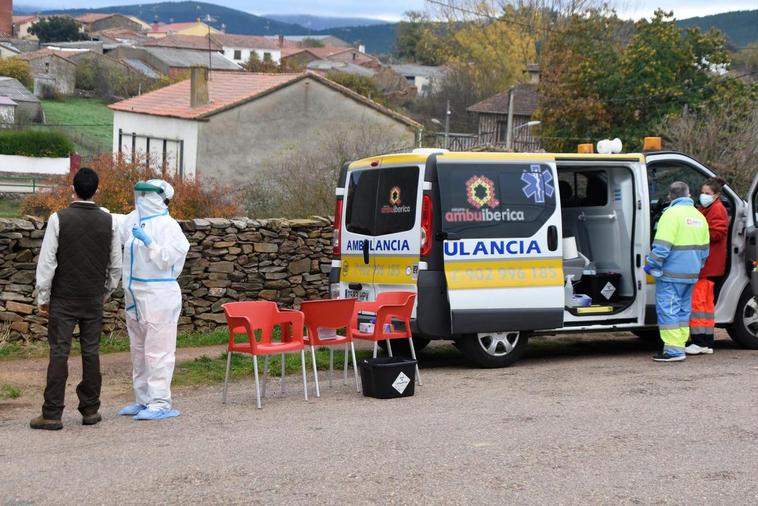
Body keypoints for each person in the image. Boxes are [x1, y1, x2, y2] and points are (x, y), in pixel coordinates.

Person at [31, 168, 122, 430]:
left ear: (73, 189)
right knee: (91, 352)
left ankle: (52, 413)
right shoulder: (110, 221)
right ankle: (90, 410)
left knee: (59, 352)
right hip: (93, 298)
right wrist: (105, 292)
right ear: (97, 190)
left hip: (63, 298)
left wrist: (44, 296)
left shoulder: (58, 218)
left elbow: (47, 262)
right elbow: (116, 265)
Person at [117, 179, 189, 421]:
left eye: (148, 195)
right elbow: (116, 230)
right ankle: (143, 399)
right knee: (138, 351)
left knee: (158, 352)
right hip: (135, 295)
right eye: (141, 195)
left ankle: (159, 402)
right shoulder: (132, 220)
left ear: (161, 197)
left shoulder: (169, 227)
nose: (142, 200)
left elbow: (170, 258)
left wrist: (150, 243)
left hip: (159, 296)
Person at [644, 181, 709, 362]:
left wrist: (650, 264)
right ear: (688, 195)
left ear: (670, 197)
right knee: (682, 311)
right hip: (691, 273)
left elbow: (662, 247)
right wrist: (697, 266)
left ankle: (673, 351)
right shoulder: (698, 216)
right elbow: (705, 250)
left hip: (671, 273)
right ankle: (679, 345)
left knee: (668, 311)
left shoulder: (670, 215)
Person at [686, 177, 729, 355]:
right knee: (705, 306)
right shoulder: (708, 208)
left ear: (716, 195)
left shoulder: (717, 209)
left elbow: (717, 233)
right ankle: (706, 341)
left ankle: (700, 341)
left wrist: (697, 229)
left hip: (708, 265)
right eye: (702, 193)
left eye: (707, 193)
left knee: (699, 305)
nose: (703, 196)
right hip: (709, 265)